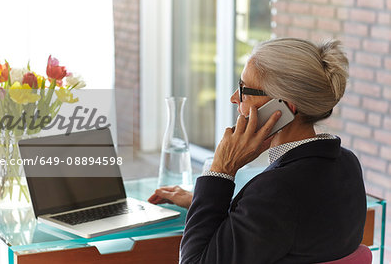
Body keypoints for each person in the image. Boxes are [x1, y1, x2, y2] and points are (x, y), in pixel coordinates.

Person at [148, 38, 367, 263]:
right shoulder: (347, 163)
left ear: (283, 108)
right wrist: (209, 203)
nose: (234, 98)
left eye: (244, 90)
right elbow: (279, 224)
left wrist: (221, 170)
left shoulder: (277, 191)